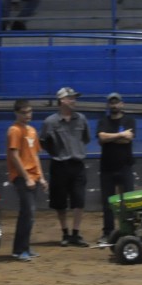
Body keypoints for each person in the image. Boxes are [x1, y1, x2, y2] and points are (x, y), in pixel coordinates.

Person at [41, 86, 91, 246]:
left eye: (74, 98)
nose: (74, 101)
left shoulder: (81, 119)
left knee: (79, 200)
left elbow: (86, 138)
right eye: (70, 98)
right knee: (60, 201)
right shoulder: (50, 122)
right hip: (59, 165)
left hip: (77, 164)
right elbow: (43, 142)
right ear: (62, 100)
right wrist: (56, 152)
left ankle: (75, 233)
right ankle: (65, 233)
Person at [6, 99, 47, 261]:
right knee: (28, 212)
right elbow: (14, 156)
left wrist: (41, 177)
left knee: (28, 213)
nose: (27, 115)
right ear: (16, 113)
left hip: (33, 177)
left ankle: (23, 247)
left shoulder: (32, 131)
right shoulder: (14, 131)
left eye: (29, 112)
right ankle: (19, 249)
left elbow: (35, 155)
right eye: (23, 113)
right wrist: (26, 177)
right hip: (22, 177)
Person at [96, 92, 136, 244]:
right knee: (107, 203)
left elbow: (128, 139)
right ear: (108, 105)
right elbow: (101, 138)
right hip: (107, 168)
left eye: (116, 102)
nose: (114, 105)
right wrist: (120, 135)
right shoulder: (103, 121)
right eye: (111, 103)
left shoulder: (129, 120)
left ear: (122, 104)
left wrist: (109, 137)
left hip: (125, 166)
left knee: (128, 202)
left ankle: (129, 231)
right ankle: (108, 233)